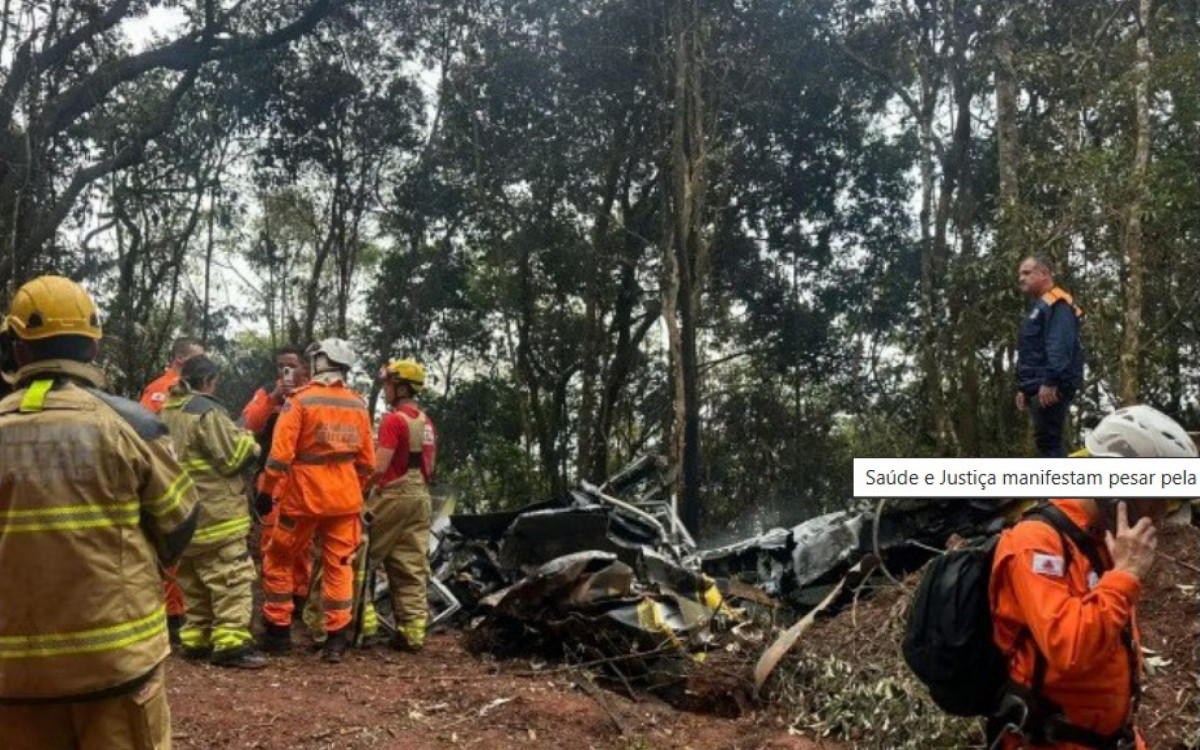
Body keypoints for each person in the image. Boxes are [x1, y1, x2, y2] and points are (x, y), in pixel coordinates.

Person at [0, 275, 198, 749]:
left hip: (13, 678)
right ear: (93, 347)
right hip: (116, 666)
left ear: (18, 348)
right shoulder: (131, 425)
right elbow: (180, 521)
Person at [988, 404, 1197, 750]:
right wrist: (1126, 574)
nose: (1162, 512)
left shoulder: (1102, 536)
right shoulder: (1035, 543)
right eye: (1156, 496)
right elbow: (1071, 651)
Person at [259, 338, 374, 663]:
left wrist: (267, 492)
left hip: (302, 498)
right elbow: (367, 463)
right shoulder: (357, 404)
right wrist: (354, 487)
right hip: (345, 501)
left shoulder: (301, 401)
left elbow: (279, 457)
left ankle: (279, 633)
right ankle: (336, 641)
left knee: (279, 558)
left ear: (321, 361)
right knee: (339, 566)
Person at [160, 355, 267, 670]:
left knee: (192, 579)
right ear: (209, 380)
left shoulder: (168, 411)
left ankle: (196, 639)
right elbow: (233, 457)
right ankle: (231, 643)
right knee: (229, 578)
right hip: (216, 513)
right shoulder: (206, 412)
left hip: (183, 514)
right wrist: (249, 441)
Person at [365, 359, 438, 651]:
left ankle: (362, 625)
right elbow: (430, 467)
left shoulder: (393, 420)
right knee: (410, 566)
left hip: (393, 496)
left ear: (401, 386)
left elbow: (379, 466)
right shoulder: (427, 422)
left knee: (360, 556)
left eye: (388, 384)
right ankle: (412, 633)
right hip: (420, 497)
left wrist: (361, 489)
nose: (385, 389)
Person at [141, 335, 205, 642]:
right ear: (181, 360)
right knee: (169, 549)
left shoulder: (195, 395)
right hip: (165, 478)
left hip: (189, 479)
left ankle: (184, 614)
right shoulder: (159, 391)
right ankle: (171, 616)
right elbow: (144, 432)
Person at [242, 345, 314, 613]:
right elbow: (249, 422)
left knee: (302, 541)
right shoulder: (266, 392)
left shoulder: (311, 394)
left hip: (304, 477)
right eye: (281, 365)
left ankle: (300, 595)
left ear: (305, 368)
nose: (286, 371)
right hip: (271, 476)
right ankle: (276, 601)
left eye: (292, 365)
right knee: (272, 539)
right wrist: (274, 397)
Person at [1016, 256, 1084, 457]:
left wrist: (1051, 381)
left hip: (1050, 387)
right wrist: (1024, 387)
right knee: (1045, 442)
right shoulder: (1040, 307)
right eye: (1020, 274)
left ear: (1045, 274)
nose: (1021, 278)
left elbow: (1059, 345)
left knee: (1050, 445)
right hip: (1038, 384)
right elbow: (1032, 350)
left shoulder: (1057, 304)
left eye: (1027, 273)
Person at [140, 336, 205, 413]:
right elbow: (143, 420)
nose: (203, 363)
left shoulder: (191, 389)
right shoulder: (160, 387)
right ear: (180, 358)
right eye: (199, 359)